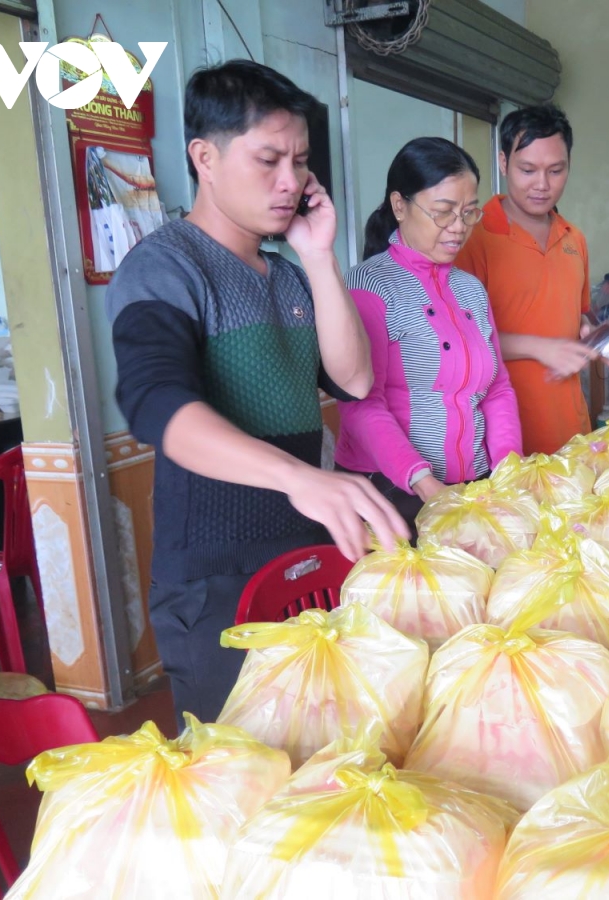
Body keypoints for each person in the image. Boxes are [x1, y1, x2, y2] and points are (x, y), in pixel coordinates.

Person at [106, 60, 407, 724]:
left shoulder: (288, 276)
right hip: (216, 574)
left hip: (304, 555)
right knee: (239, 773)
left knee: (318, 753)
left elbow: (353, 379)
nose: (290, 181)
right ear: (204, 157)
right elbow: (158, 408)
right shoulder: (164, 266)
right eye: (268, 159)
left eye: (300, 162)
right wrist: (299, 476)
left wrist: (320, 257)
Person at [335, 138, 522, 531]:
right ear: (400, 205)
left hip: (471, 485)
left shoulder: (470, 290)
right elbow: (361, 405)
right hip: (391, 491)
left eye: (469, 213)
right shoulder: (369, 286)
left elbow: (497, 389)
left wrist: (508, 471)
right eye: (443, 212)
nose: (458, 228)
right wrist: (423, 482)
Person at [455, 104, 609, 456]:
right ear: (503, 163)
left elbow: (574, 315)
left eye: (556, 170)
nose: (542, 185)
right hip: (501, 438)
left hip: (570, 431)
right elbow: (457, 342)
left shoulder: (574, 239)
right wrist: (540, 348)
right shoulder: (473, 237)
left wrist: (592, 337)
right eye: (527, 170)